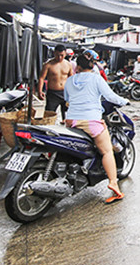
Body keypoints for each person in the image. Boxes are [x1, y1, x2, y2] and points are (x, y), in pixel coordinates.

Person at [64, 54, 128, 204]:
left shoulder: (69, 80)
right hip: (90, 121)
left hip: (71, 120)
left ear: (77, 67)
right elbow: (110, 96)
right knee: (107, 151)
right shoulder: (97, 79)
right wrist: (125, 101)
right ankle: (113, 183)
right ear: (92, 66)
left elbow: (67, 99)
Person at [38, 44, 74, 121]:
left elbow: (71, 78)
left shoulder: (68, 64)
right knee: (49, 116)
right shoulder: (48, 65)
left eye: (62, 55)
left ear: (65, 54)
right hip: (53, 94)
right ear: (54, 53)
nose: (59, 57)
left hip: (65, 93)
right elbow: (41, 78)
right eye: (57, 55)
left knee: (68, 116)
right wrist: (40, 91)